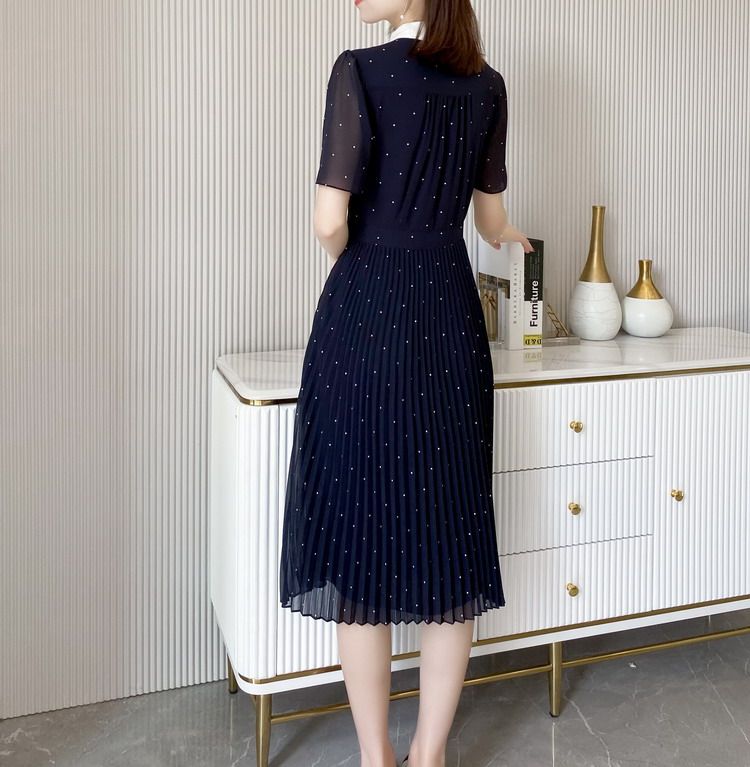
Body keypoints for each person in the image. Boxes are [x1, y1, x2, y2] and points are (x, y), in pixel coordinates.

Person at [279, 2, 532, 765]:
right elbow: (491, 222)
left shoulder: (359, 71)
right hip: (449, 312)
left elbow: (328, 221)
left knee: (362, 535)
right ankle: (430, 751)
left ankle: (375, 755)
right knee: (450, 531)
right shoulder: (487, 86)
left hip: (367, 309)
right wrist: (512, 241)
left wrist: (360, 261)